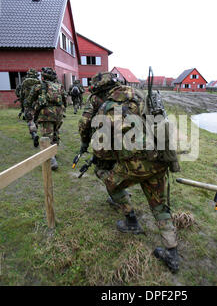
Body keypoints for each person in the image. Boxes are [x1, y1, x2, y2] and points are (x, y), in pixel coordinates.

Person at [78, 72, 180, 273]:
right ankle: (172, 253)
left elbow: (102, 153)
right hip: (158, 159)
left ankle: (131, 220)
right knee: (159, 205)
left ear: (100, 93)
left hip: (133, 167)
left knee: (106, 177)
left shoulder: (105, 109)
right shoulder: (140, 95)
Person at [27, 67, 67, 170]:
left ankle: (52, 160)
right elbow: (65, 99)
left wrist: (30, 108)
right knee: (56, 132)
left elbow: (29, 100)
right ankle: (54, 152)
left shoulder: (38, 86)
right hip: (58, 114)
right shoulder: (59, 86)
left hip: (46, 114)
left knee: (47, 136)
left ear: (43, 76)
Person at [17, 68, 40, 147]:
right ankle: (35, 130)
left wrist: (22, 103)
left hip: (28, 103)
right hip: (36, 103)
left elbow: (21, 94)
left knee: (30, 120)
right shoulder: (38, 82)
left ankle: (34, 134)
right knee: (36, 118)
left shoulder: (25, 82)